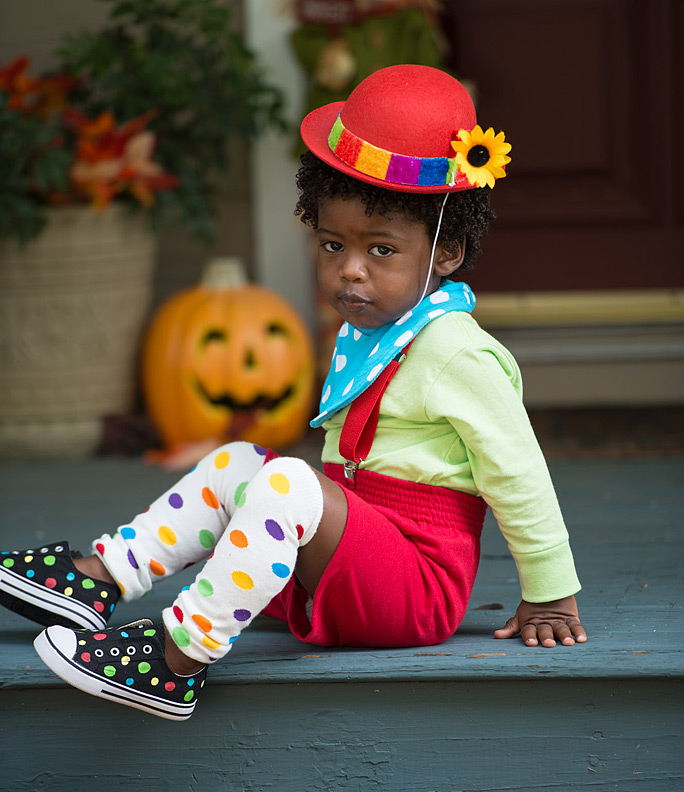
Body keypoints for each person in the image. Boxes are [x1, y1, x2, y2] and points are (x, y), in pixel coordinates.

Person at [0, 65, 587, 721]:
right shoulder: (366, 333)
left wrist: (551, 593)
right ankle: (101, 578)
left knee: (288, 484)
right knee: (242, 462)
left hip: (414, 586)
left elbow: (521, 475)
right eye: (333, 243)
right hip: (352, 560)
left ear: (445, 251)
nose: (349, 269)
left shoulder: (458, 350)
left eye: (382, 250)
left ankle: (175, 659)